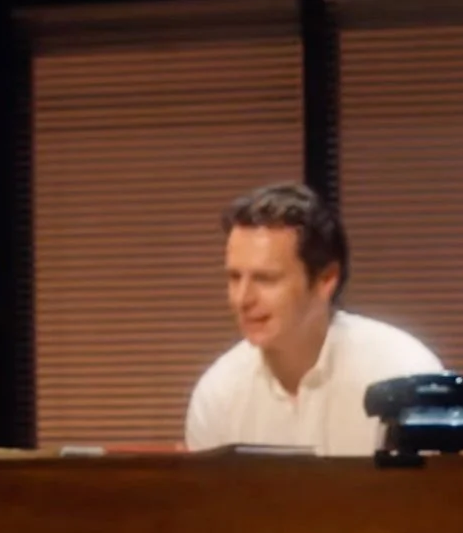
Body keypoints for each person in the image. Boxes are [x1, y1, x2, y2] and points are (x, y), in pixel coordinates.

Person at [183, 182, 442, 455]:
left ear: (326, 279)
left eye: (266, 279)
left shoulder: (402, 373)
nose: (242, 299)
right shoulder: (218, 395)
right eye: (235, 277)